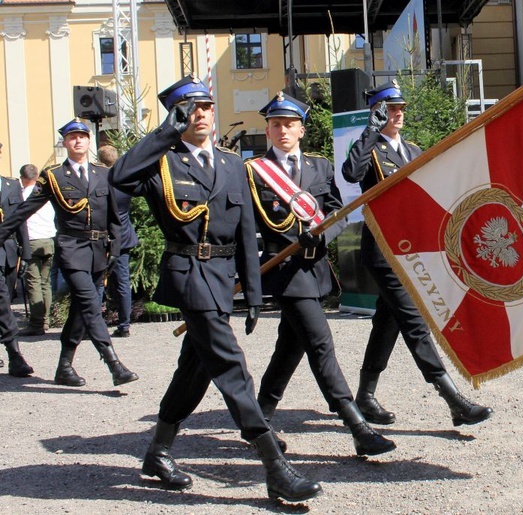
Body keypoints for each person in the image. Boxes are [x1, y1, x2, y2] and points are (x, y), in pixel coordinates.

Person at [110, 76, 321, 503]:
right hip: (188, 272)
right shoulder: (161, 161)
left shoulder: (229, 164)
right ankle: (273, 465)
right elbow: (118, 176)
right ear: (177, 115)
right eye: (190, 108)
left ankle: (157, 451)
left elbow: (245, 230)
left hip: (224, 277)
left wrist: (254, 292)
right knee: (230, 365)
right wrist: (166, 131)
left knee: (196, 367)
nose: (201, 114)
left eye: (206, 106)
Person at [247, 92, 395, 457]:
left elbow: (336, 210)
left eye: (289, 125)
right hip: (284, 272)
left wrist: (322, 237)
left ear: (301, 130)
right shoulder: (252, 171)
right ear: (267, 130)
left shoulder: (320, 166)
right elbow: (242, 227)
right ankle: (356, 426)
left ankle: (258, 418)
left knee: (290, 346)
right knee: (320, 344)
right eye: (276, 125)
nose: (283, 131)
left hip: (314, 270)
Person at [342, 81, 494, 427]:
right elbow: (350, 174)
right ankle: (453, 398)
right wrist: (369, 129)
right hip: (384, 252)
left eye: (400, 109)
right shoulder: (371, 148)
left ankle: (365, 396)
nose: (397, 114)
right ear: (376, 112)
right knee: (413, 320)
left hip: (412, 250)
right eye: (389, 109)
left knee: (388, 320)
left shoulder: (411, 150)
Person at [0, 119, 138, 387]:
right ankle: (114, 364)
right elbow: (23, 211)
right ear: (64, 142)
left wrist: (115, 247)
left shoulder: (102, 174)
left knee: (79, 309)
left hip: (99, 251)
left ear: (89, 142)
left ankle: (64, 367)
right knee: (89, 303)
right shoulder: (54, 176)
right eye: (72, 137)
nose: (78, 141)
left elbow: (115, 216)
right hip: (72, 250)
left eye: (82, 136)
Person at [0, 152, 33, 376]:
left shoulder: (11, 185)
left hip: (9, 252)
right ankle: (15, 354)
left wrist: (26, 254)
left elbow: (20, 220)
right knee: (1, 300)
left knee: (6, 302)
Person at [99, 144, 137, 337]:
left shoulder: (98, 181)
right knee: (123, 282)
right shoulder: (124, 181)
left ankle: (95, 326)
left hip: (103, 237)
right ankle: (124, 325)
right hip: (123, 236)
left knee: (97, 282)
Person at [18, 164, 56, 337]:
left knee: (33, 283)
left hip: (32, 240)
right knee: (45, 282)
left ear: (22, 178)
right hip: (49, 239)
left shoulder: (23, 195)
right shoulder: (47, 193)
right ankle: (46, 319)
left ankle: (36, 322)